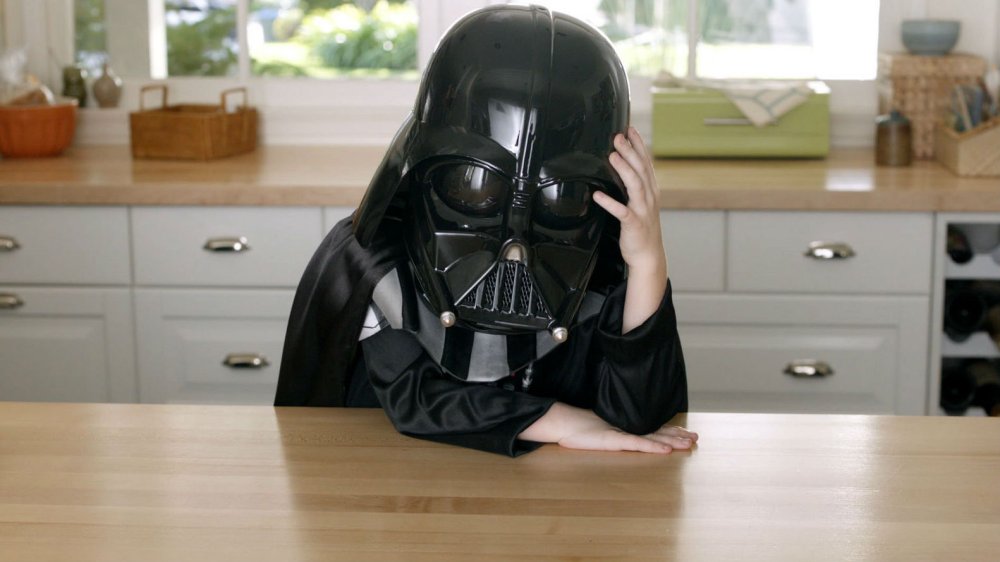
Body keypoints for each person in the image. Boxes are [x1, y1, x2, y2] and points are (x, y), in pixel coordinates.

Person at [275, 4, 696, 457]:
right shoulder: (375, 257)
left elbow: (638, 418)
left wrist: (647, 259)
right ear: (424, 168)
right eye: (474, 186)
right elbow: (412, 396)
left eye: (561, 196)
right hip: (393, 489)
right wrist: (559, 421)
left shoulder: (596, 257)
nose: (515, 243)